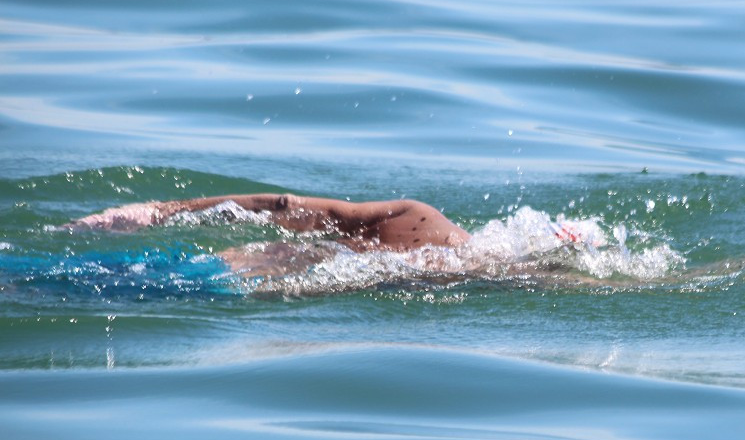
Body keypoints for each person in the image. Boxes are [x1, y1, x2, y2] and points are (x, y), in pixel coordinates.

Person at [70, 193, 471, 251]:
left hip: (248, 267)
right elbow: (289, 206)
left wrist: (161, 212)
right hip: (247, 278)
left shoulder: (420, 216)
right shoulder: (418, 220)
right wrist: (164, 211)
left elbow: (285, 205)